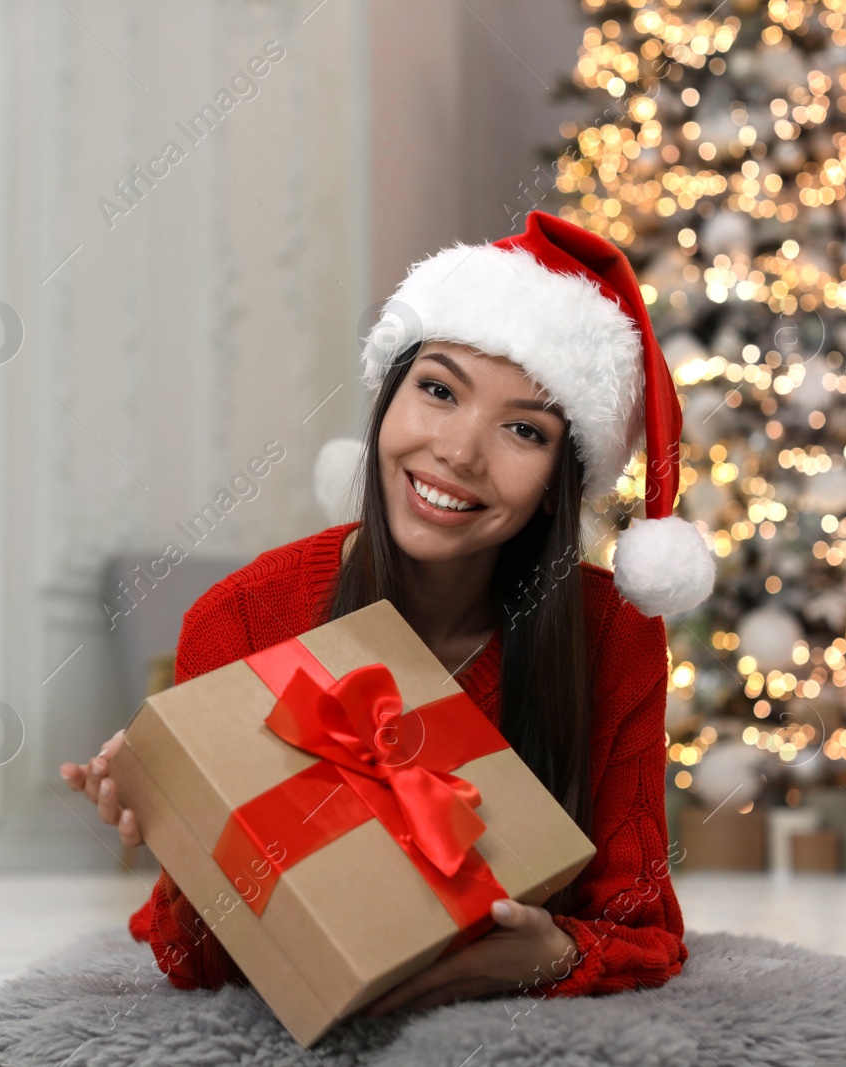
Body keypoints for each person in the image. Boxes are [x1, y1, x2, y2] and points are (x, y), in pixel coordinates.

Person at [58, 211, 716, 1017]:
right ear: (386, 400)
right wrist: (181, 827)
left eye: (522, 429)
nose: (459, 451)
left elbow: (640, 925)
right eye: (437, 390)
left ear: (560, 482)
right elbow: (201, 966)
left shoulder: (610, 634)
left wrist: (550, 955)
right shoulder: (244, 617)